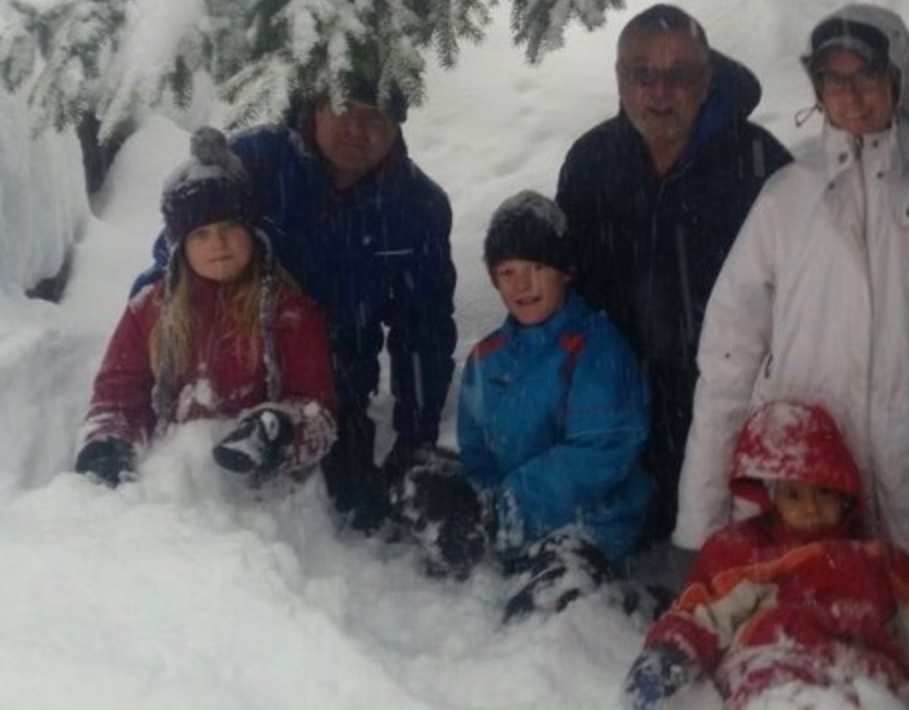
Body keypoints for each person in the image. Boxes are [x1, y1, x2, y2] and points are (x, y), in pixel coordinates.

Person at [675, 4, 909, 562]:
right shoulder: (788, 199)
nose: (851, 95)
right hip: (797, 505)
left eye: (867, 75)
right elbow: (728, 362)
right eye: (834, 79)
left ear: (899, 79)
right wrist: (701, 525)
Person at [136, 81, 457, 528]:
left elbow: (423, 329)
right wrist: (151, 370)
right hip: (227, 366)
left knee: (354, 511)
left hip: (334, 388)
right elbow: (173, 266)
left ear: (398, 124)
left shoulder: (416, 206)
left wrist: (415, 440)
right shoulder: (258, 161)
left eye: (376, 118)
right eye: (345, 108)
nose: (357, 129)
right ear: (317, 106)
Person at [556, 3, 791, 547]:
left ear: (706, 80)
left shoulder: (759, 165)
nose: (659, 91)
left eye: (679, 74)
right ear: (619, 78)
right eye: (642, 73)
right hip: (618, 409)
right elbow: (566, 292)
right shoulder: (592, 162)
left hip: (727, 413)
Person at [391, 191, 652, 621]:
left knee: (548, 597)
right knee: (417, 475)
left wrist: (512, 506)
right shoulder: (487, 358)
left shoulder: (595, 348)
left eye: (536, 268)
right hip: (507, 515)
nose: (522, 285)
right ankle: (468, 549)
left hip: (589, 521)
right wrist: (482, 503)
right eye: (507, 272)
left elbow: (600, 451)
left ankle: (584, 588)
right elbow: (477, 450)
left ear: (565, 272)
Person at [623, 400, 909, 710]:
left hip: (865, 671)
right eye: (794, 495)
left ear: (845, 494)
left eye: (824, 492)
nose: (810, 508)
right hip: (776, 659)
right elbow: (703, 613)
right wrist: (668, 653)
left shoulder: (880, 561)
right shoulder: (750, 552)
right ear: (773, 497)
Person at [76, 128, 337, 488]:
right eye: (200, 234)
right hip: (171, 479)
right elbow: (118, 392)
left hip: (258, 492)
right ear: (179, 246)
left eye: (230, 227)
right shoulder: (149, 310)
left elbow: (317, 409)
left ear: (251, 232)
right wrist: (108, 440)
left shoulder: (289, 313)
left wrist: (280, 432)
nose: (218, 243)